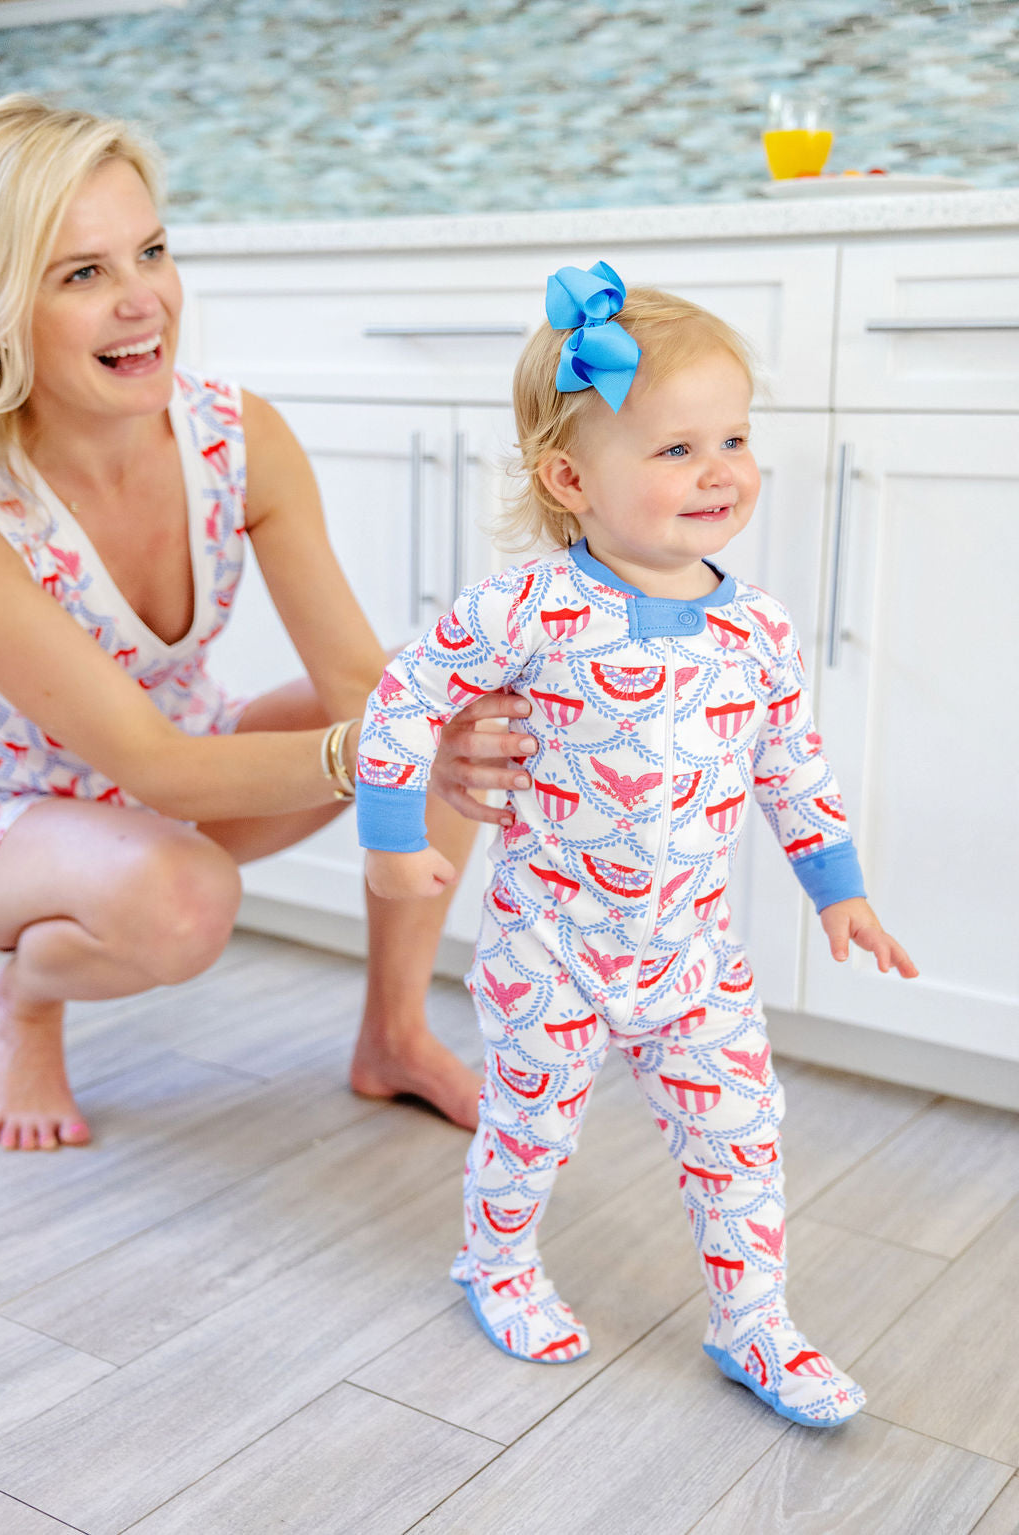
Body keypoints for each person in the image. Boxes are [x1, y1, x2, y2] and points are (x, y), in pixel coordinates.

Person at [353, 262, 919, 1427]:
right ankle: (496, 1264)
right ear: (571, 478)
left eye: (733, 439)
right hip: (550, 943)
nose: (719, 470)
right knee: (530, 1126)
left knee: (739, 1131)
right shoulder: (527, 606)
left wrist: (838, 887)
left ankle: (753, 1319)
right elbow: (404, 699)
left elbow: (791, 764)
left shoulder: (757, 629)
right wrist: (392, 835)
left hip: (690, 954)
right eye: (675, 449)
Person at [0, 94, 539, 1152]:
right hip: (22, 815)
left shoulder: (237, 438)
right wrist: (384, 750)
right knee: (188, 901)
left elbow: (357, 687)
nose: (143, 300)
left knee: (442, 702)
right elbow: (156, 769)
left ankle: (393, 1035)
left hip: (181, 763)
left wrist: (426, 735)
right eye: (83, 274)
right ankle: (28, 992)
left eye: (151, 252)